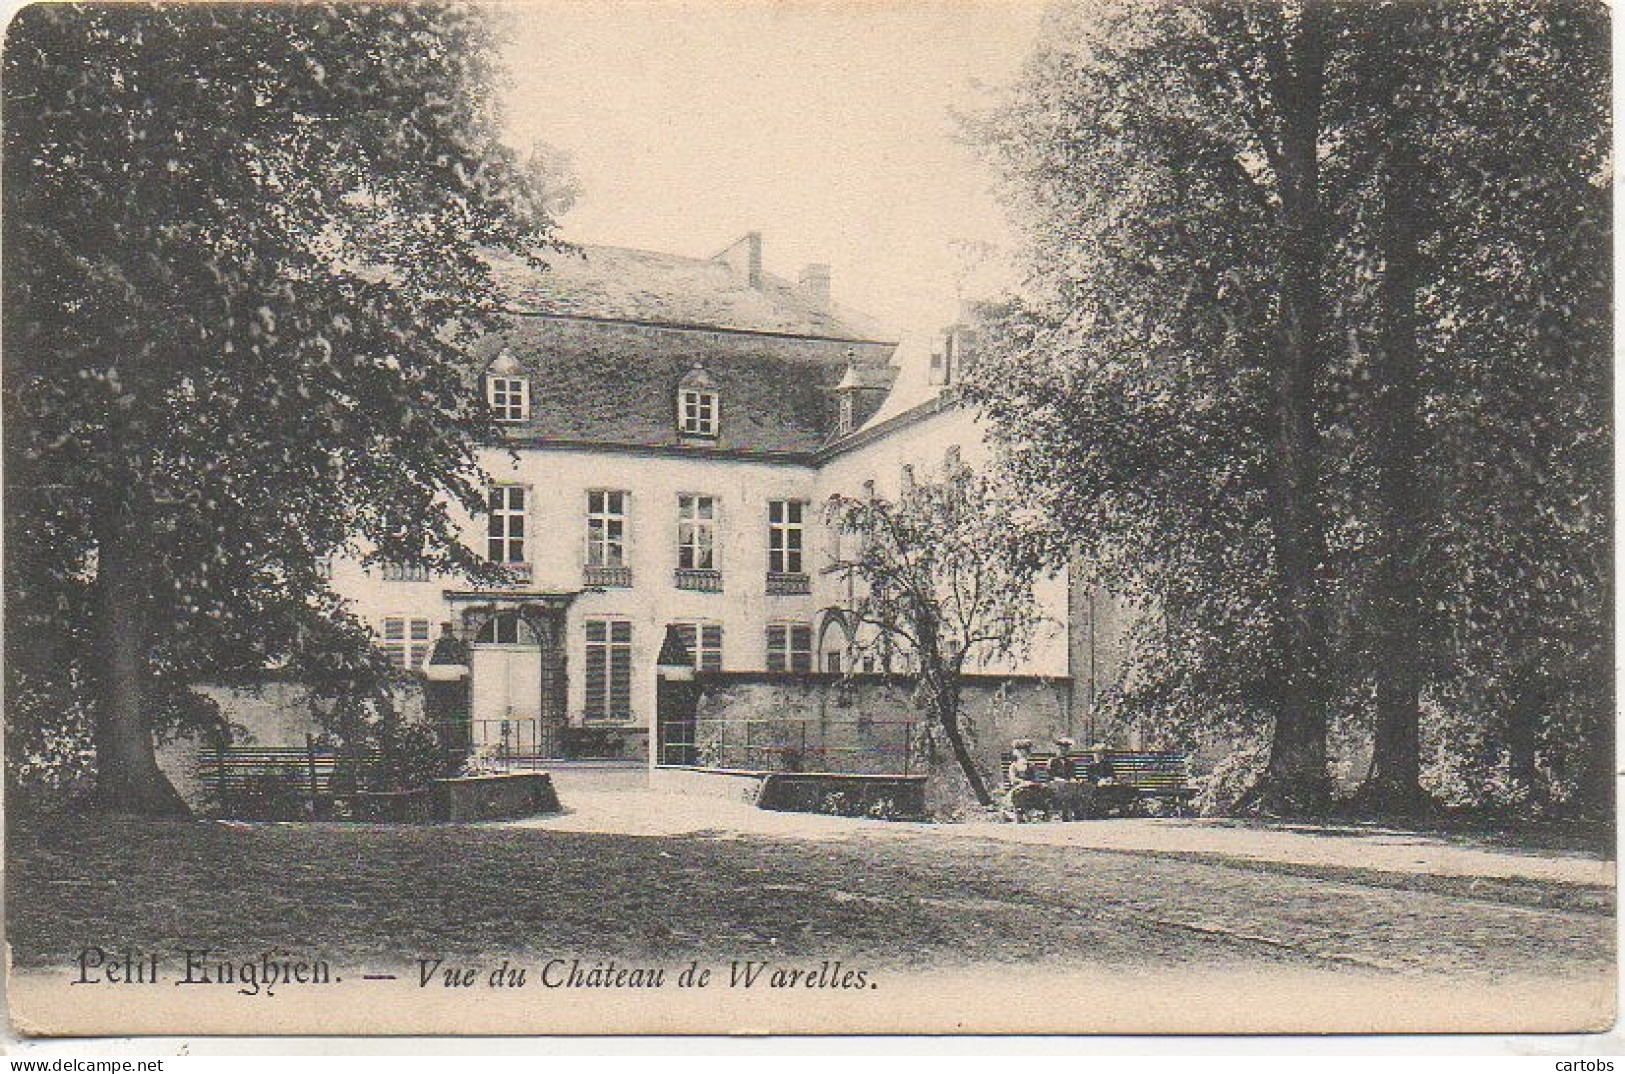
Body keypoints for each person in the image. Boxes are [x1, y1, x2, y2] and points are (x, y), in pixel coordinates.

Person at [1047, 736, 1093, 820]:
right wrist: (1062, 780)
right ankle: (1066, 811)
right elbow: (1051, 776)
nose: (1063, 751)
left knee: (1080, 786)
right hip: (1055, 783)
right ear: (1057, 750)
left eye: (1065, 749)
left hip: (1068, 784)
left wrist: (1074, 779)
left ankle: (1079, 811)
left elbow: (1072, 775)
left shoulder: (1070, 762)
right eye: (1061, 749)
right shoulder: (1053, 761)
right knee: (1066, 786)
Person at [1005, 739, 1051, 820]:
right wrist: (1022, 782)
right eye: (1020, 751)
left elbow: (1035, 777)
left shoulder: (1031, 765)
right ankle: (1023, 811)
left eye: (1025, 751)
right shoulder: (1014, 765)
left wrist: (1036, 782)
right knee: (1021, 793)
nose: (1023, 754)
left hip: (1032, 786)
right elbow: (1013, 778)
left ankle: (1040, 811)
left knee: (1042, 791)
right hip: (1019, 786)